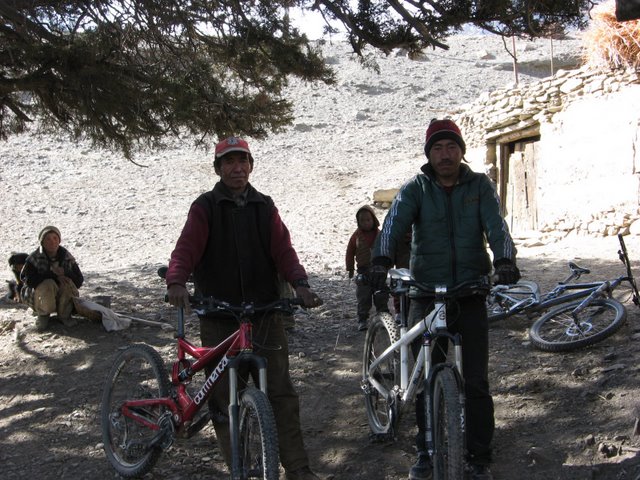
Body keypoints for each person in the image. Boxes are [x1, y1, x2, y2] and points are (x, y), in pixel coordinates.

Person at [369, 119, 520, 480]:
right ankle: (425, 450)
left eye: (451, 147)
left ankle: (479, 457)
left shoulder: (480, 186)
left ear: (462, 151)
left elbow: (497, 226)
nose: (445, 154)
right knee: (424, 376)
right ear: (429, 155)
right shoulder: (416, 189)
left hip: (469, 291)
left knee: (477, 380)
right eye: (437, 148)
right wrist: (380, 260)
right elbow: (393, 224)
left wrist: (504, 260)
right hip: (426, 293)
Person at [165, 136, 324, 480]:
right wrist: (176, 281)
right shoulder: (205, 207)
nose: (237, 168)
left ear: (251, 166)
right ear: (219, 169)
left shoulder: (265, 206)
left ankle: (298, 468)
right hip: (219, 316)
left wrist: (300, 284)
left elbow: (284, 252)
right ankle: (239, 467)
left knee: (281, 393)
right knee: (224, 400)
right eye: (229, 162)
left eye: (243, 161)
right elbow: (186, 249)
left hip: (265, 314)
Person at [21, 226, 84, 330]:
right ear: (42, 242)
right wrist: (53, 275)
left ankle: (64, 315)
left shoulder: (67, 257)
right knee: (48, 283)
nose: (52, 242)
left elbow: (79, 281)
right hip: (38, 295)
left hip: (60, 294)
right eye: (48, 239)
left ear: (59, 240)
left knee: (67, 282)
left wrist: (66, 273)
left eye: (55, 238)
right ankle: (43, 315)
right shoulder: (34, 258)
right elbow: (29, 281)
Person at [345, 205, 389, 331]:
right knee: (363, 297)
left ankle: (384, 318)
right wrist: (350, 268)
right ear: (358, 222)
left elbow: (387, 250)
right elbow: (350, 252)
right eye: (362, 221)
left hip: (379, 270)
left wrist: (388, 266)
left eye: (368, 220)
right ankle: (362, 319)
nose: (366, 223)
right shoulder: (356, 236)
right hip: (363, 271)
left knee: (381, 295)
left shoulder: (380, 234)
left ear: (373, 220)